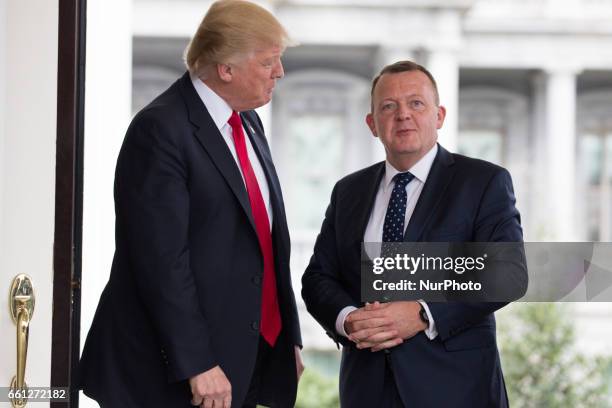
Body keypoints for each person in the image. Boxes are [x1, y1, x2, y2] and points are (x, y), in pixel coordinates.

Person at [79, 1, 303, 407]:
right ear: (226, 69)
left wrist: (285, 337)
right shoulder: (160, 128)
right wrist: (197, 363)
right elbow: (161, 261)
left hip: (242, 357)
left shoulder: (246, 121)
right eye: (269, 62)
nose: (279, 73)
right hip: (174, 374)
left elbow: (264, 242)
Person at [301, 60, 527, 407]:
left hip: (456, 388)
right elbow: (318, 277)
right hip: (367, 388)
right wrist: (349, 320)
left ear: (439, 116)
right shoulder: (348, 191)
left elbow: (507, 272)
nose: (402, 114)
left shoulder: (482, 182)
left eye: (416, 103)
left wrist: (423, 312)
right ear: (372, 124)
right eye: (388, 107)